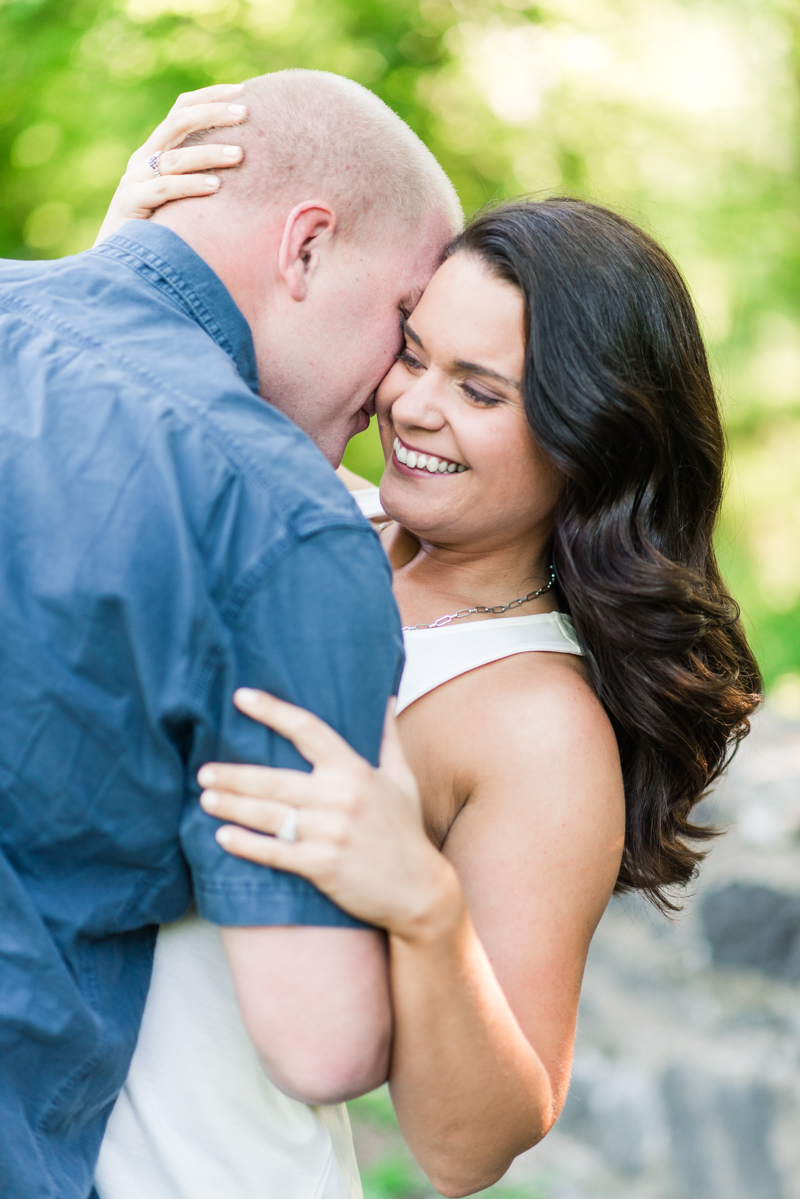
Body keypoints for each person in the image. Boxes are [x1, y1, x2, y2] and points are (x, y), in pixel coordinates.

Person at [92, 99, 761, 1199]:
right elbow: (85, 429)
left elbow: (471, 1145)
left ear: (585, 438)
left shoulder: (532, 720)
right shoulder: (304, 514)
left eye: (478, 388)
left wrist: (423, 907)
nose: (410, 405)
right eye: (411, 350)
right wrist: (134, 261)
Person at [0, 70, 462, 1199]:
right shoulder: (276, 519)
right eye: (405, 323)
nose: (397, 394)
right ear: (304, 247)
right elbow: (319, 1041)